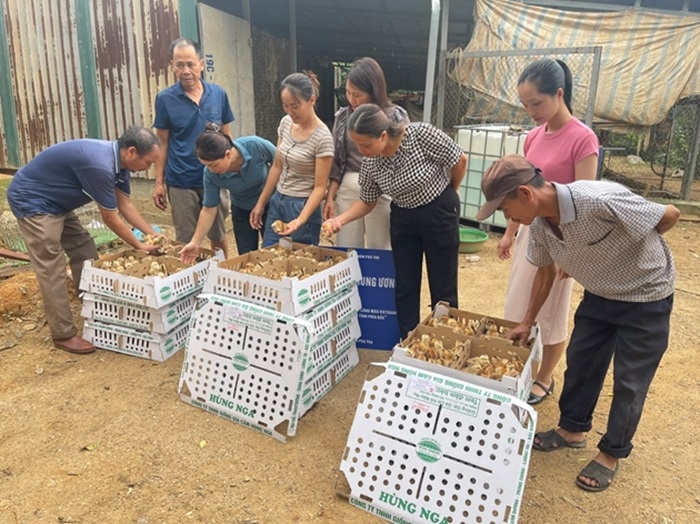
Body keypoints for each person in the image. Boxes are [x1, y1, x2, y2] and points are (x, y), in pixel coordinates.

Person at [476, 154, 679, 492]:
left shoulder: (598, 199)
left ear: (525, 194)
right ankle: (572, 428)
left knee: (630, 380)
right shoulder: (540, 226)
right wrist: (527, 321)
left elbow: (668, 215)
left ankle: (611, 453)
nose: (506, 217)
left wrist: (630, 255)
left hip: (646, 296)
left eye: (504, 208)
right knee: (582, 363)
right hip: (600, 295)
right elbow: (543, 272)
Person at [6, 126, 166, 354]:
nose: (147, 168)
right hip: (34, 201)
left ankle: (92, 306)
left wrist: (152, 233)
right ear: (131, 152)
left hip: (58, 202)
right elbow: (111, 218)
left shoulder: (120, 166)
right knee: (52, 266)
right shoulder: (100, 166)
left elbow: (125, 205)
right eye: (148, 162)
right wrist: (140, 245)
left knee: (84, 248)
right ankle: (63, 334)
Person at [497, 58, 600, 405]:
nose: (531, 111)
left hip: (564, 236)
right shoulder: (532, 137)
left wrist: (574, 252)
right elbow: (520, 190)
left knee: (552, 312)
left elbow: (585, 199)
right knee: (519, 302)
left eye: (536, 103)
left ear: (559, 94)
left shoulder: (583, 139)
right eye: (526, 105)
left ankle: (545, 377)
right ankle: (522, 366)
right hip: (531, 229)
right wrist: (511, 230)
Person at [323, 104, 467, 339]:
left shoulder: (420, 135)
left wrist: (452, 191)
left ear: (383, 135)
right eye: (356, 145)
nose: (361, 150)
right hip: (403, 216)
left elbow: (459, 160)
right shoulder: (369, 163)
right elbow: (367, 201)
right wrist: (340, 219)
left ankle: (446, 340)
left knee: (443, 284)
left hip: (438, 211)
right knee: (405, 284)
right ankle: (408, 340)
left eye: (365, 145)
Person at [152, 37, 235, 258]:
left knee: (218, 236)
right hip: (181, 180)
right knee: (186, 240)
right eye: (180, 65)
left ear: (201, 64)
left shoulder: (218, 95)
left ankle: (222, 277)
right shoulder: (165, 99)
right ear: (172, 66)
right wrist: (159, 183)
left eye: (190, 64)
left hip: (215, 178)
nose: (186, 70)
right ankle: (190, 287)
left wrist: (230, 172)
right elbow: (162, 142)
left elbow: (227, 137)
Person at [323, 57, 408, 249]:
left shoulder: (394, 116)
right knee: (347, 245)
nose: (351, 99)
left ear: (373, 92)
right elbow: (337, 161)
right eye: (348, 93)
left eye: (357, 95)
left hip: (383, 189)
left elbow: (404, 156)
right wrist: (330, 196)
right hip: (350, 186)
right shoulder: (343, 117)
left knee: (381, 246)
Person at [249, 71, 334, 246]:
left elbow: (320, 187)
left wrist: (301, 219)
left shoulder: (323, 137)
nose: (290, 112)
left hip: (302, 205)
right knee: (269, 253)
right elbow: (277, 167)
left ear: (312, 100)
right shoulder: (286, 123)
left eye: (295, 106)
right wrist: (261, 203)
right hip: (278, 199)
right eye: (285, 106)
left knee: (301, 262)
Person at [178, 124, 276, 262]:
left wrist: (261, 204)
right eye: (206, 165)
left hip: (270, 205)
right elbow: (209, 209)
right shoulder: (210, 174)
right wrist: (195, 242)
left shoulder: (254, 145)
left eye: (213, 165)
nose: (211, 170)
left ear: (228, 154)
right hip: (242, 209)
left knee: (273, 253)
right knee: (247, 258)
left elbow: (280, 163)